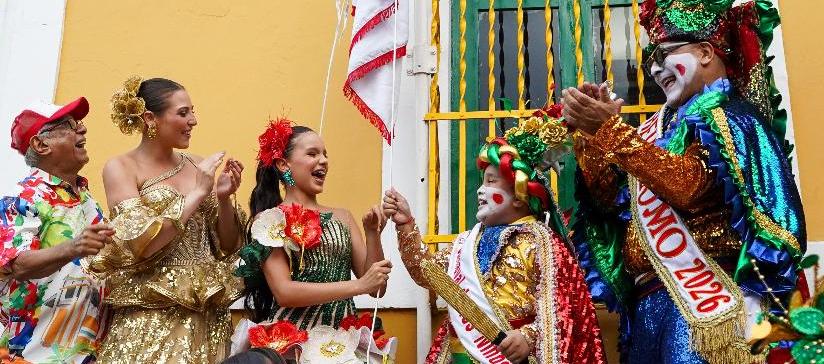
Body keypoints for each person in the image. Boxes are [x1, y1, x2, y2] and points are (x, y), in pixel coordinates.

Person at [563, 0, 806, 362]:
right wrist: (593, 138)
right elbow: (609, 203)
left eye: (665, 54)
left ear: (706, 52)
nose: (655, 69)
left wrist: (610, 132)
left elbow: (688, 186)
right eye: (652, 60)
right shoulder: (655, 131)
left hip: (705, 304)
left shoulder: (730, 118)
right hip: (648, 307)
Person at [383, 108, 606, 364]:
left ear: (520, 196)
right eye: (482, 181)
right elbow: (427, 273)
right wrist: (406, 225)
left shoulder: (543, 242)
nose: (480, 190)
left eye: (491, 182)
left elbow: (563, 309)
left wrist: (529, 336)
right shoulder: (466, 243)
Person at [84, 76, 246, 363]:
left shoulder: (197, 164)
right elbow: (141, 243)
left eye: (193, 111)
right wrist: (198, 192)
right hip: (151, 315)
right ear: (150, 118)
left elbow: (228, 246)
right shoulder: (121, 167)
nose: (193, 120)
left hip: (206, 314)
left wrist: (223, 199)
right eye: (183, 113)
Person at [234, 118, 391, 332]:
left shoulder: (343, 217)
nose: (324, 160)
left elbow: (377, 289)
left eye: (325, 154)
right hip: (294, 340)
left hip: (343, 339)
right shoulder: (269, 221)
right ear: (283, 164)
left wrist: (372, 234)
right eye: (312, 154)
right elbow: (284, 293)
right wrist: (358, 286)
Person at [0, 98, 113, 363]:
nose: (82, 129)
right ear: (41, 145)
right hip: (34, 356)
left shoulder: (86, 199)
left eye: (79, 123)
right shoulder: (22, 198)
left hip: (89, 353)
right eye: (68, 126)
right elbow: (18, 264)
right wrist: (73, 247)